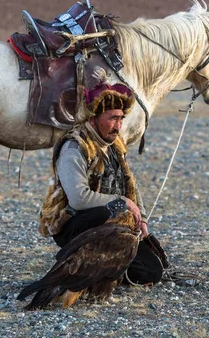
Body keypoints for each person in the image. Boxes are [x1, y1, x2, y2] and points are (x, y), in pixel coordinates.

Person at [38, 82, 167, 285]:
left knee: (151, 271)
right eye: (112, 118)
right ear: (93, 118)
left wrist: (141, 218)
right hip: (76, 223)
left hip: (113, 223)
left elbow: (130, 184)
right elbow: (79, 198)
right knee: (105, 212)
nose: (118, 126)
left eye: (121, 118)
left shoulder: (115, 144)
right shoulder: (75, 146)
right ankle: (81, 267)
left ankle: (103, 268)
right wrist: (122, 202)